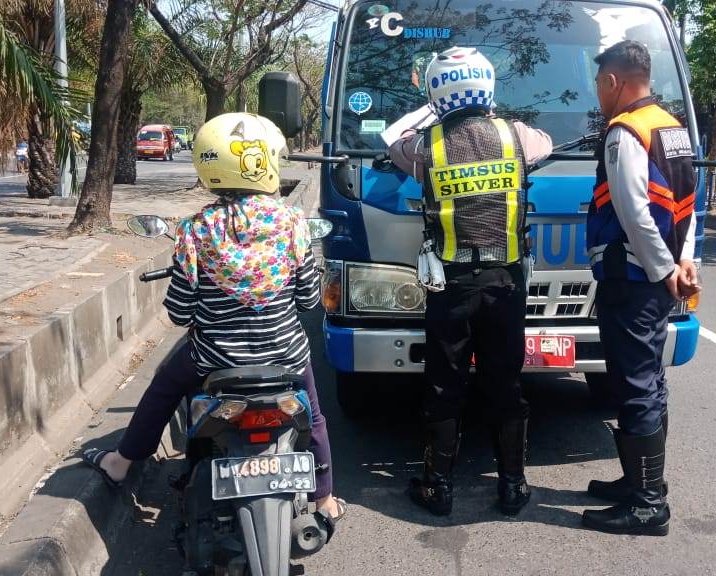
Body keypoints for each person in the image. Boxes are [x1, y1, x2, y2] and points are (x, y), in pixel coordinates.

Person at [81, 112, 346, 528]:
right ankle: (325, 498)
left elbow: (180, 312)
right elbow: (309, 300)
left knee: (163, 388)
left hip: (214, 358)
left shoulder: (194, 230)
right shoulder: (293, 223)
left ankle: (121, 462)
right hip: (286, 355)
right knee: (313, 417)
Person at [388, 46, 553, 517]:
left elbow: (392, 138)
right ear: (489, 86)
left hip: (451, 286)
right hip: (505, 284)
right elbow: (544, 143)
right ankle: (513, 487)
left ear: (437, 93)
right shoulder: (517, 136)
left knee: (445, 385)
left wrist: (431, 111)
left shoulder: (426, 146)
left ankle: (437, 488)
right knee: (505, 383)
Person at [582, 40, 700, 536]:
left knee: (633, 386)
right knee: (649, 379)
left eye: (599, 84)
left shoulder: (624, 132)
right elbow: (688, 202)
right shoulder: (671, 128)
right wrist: (683, 260)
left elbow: (632, 211)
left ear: (613, 81)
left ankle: (648, 503)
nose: (599, 94)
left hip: (633, 280)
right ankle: (641, 482)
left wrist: (659, 269)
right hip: (660, 274)